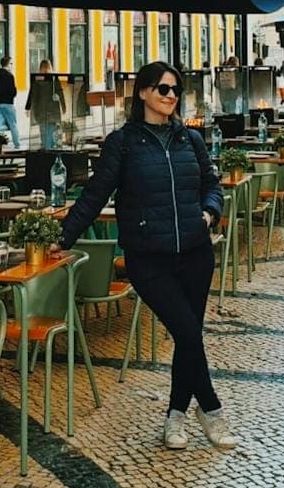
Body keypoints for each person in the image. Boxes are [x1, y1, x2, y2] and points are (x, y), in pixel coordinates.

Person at [60, 61, 233, 451]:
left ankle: (175, 418)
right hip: (148, 258)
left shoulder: (191, 141)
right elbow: (95, 194)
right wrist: (63, 237)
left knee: (188, 336)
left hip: (194, 252)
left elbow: (212, 184)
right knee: (188, 332)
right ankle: (211, 409)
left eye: (174, 90)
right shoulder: (122, 143)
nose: (170, 95)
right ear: (142, 93)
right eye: (162, 89)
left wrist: (208, 212)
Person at [30, 58, 65, 150]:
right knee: (54, 134)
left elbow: (33, 96)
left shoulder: (38, 80)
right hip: (53, 112)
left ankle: (47, 151)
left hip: (42, 112)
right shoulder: (54, 79)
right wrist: (63, 106)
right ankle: (52, 151)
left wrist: (30, 109)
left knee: (45, 134)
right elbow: (60, 93)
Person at [0, 55, 20, 149]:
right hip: (8, 104)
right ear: (8, 64)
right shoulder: (10, 76)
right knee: (13, 124)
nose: (12, 66)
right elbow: (13, 92)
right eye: (11, 64)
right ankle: (17, 144)